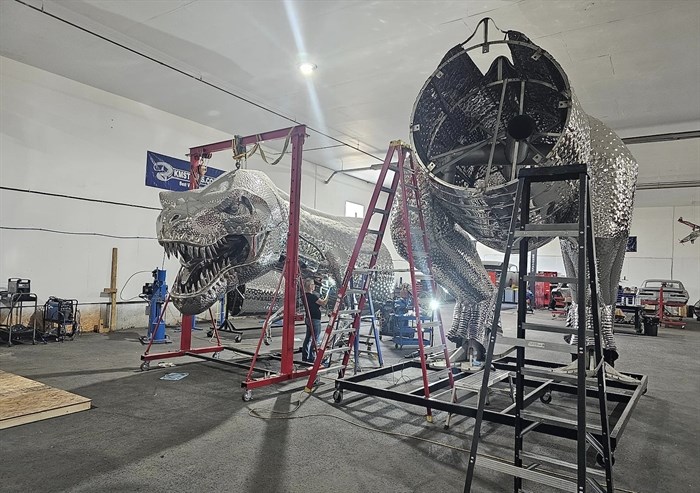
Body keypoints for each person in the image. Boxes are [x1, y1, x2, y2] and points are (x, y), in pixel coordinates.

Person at [302, 278, 327, 363]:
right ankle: (311, 358)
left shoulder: (304, 296)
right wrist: (328, 295)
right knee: (315, 339)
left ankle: (305, 357)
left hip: (308, 318)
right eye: (313, 284)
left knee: (308, 338)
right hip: (315, 319)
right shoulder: (312, 296)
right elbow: (323, 303)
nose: (314, 286)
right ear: (309, 286)